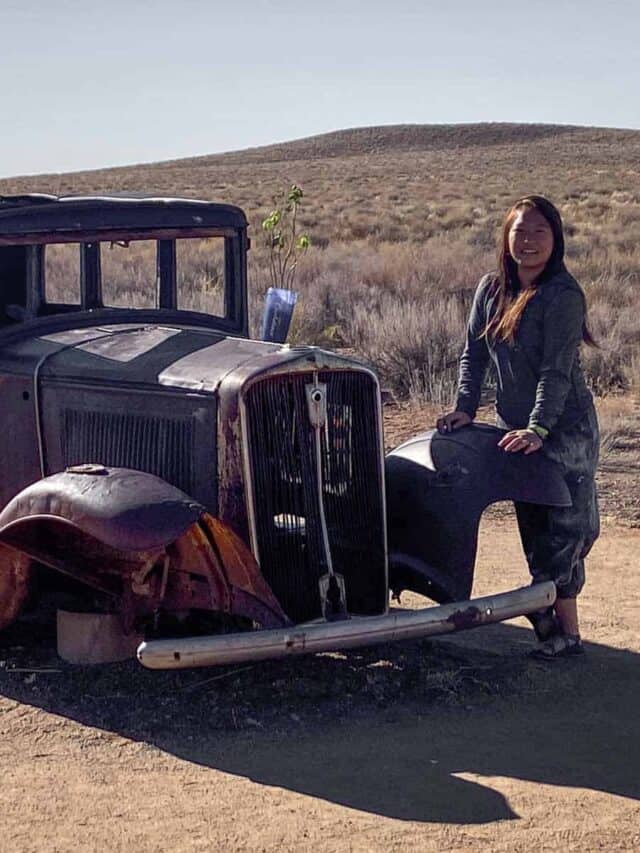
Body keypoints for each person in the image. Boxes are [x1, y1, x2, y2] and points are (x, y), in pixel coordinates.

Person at [437, 195, 599, 660]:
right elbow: (474, 355)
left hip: (564, 430)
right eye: (519, 232)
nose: (527, 242)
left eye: (538, 233)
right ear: (506, 238)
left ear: (556, 240)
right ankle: (563, 634)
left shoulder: (563, 295)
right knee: (537, 524)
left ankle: (547, 610)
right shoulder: (491, 290)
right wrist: (465, 408)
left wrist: (539, 429)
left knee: (573, 528)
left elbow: (557, 372)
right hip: (517, 430)